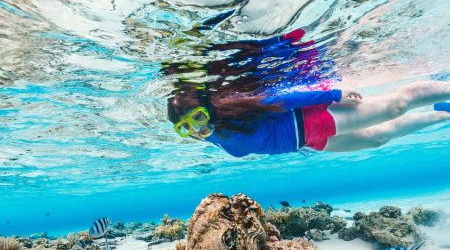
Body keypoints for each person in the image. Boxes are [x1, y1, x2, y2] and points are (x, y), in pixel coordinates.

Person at [167, 29, 450, 157]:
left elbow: (281, 98)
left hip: (310, 121)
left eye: (198, 117)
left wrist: (333, 94)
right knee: (378, 138)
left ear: (206, 106)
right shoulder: (211, 136)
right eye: (186, 127)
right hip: (306, 142)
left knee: (395, 106)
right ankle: (443, 113)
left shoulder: (231, 105)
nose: (197, 128)